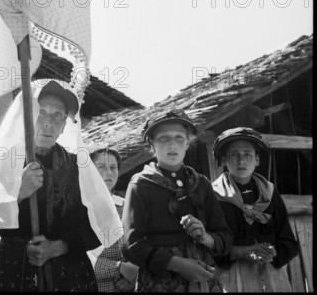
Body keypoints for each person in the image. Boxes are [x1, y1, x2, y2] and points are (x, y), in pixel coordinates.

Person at [0, 79, 122, 292]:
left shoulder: (78, 166)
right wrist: (17, 195)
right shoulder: (5, 164)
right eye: (41, 112)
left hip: (71, 277)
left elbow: (100, 227)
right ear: (26, 118)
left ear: (64, 126)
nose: (48, 122)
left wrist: (59, 247)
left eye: (57, 115)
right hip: (14, 275)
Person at [121, 109, 232, 292]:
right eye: (163, 138)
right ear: (152, 145)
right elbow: (131, 245)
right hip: (159, 283)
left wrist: (206, 238)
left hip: (206, 281)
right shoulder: (140, 185)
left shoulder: (201, 184)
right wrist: (179, 265)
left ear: (188, 143)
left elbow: (225, 237)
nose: (172, 144)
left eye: (179, 138)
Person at [211, 127, 299, 292]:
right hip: (231, 279)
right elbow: (209, 247)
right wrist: (243, 251)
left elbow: (288, 241)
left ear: (257, 160)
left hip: (272, 275)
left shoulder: (270, 193)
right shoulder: (214, 196)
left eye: (247, 154)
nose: (241, 160)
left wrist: (271, 252)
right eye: (234, 154)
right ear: (224, 160)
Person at [90, 148, 139, 292]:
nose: (109, 173)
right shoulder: (79, 209)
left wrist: (134, 274)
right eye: (102, 167)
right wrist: (120, 268)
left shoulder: (128, 206)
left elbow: (144, 244)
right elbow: (78, 258)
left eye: (113, 167)